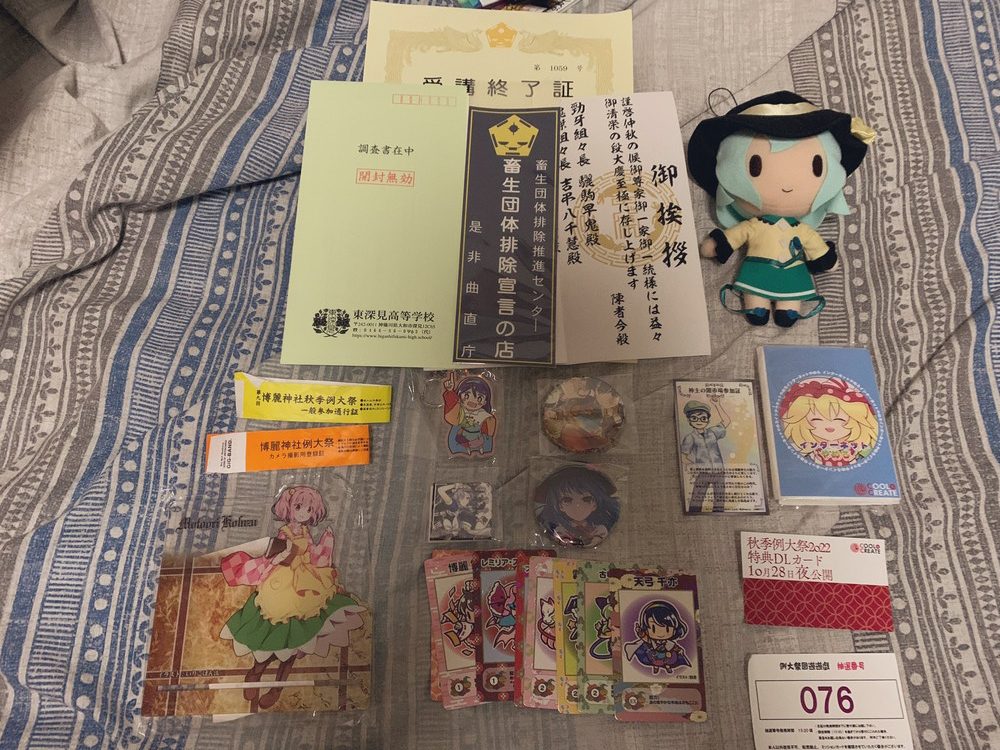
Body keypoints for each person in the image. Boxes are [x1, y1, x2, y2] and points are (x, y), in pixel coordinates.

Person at [687, 91, 873, 327]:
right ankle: (758, 306)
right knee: (757, 297)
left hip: (791, 276)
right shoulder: (754, 226)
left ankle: (788, 309)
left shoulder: (800, 231)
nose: (787, 185)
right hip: (758, 273)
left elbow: (815, 246)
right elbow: (735, 236)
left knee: (789, 296)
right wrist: (719, 244)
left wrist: (825, 258)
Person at [219, 486, 364, 712]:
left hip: (306, 582)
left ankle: (277, 688)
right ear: (289, 508)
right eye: (299, 507)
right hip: (283, 583)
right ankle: (256, 672)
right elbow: (277, 557)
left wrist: (324, 552)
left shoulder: (306, 532)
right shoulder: (284, 533)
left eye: (309, 509)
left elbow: (312, 555)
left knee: (295, 644)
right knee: (272, 635)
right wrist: (284, 555)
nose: (304, 513)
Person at [534, 465, 621, 547]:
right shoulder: (558, 529)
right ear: (560, 506)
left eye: (586, 499)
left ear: (595, 504)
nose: (577, 506)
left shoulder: (599, 528)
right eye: (567, 500)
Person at [679, 394, 731, 511]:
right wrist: (694, 465)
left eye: (703, 418)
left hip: (719, 472)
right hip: (703, 473)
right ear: (689, 420)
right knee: (696, 502)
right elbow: (683, 456)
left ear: (708, 420)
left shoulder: (713, 432)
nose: (699, 421)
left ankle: (718, 517)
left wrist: (717, 404)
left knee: (719, 502)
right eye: (694, 418)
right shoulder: (690, 437)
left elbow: (727, 421)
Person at [623, 600, 691, 676]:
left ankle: (667, 666)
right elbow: (645, 638)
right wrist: (640, 632)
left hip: (666, 655)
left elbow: (675, 647)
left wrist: (679, 650)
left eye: (667, 629)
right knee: (654, 660)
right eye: (653, 629)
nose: (660, 633)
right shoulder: (651, 641)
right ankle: (656, 667)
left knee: (669, 659)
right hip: (655, 655)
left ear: (675, 629)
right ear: (646, 629)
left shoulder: (669, 643)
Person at [443, 373, 497, 456]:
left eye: (479, 398)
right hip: (460, 441)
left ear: (485, 402)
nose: (472, 401)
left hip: (479, 440)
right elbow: (451, 417)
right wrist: (450, 391)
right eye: (467, 395)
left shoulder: (485, 416)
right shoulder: (459, 411)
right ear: (459, 395)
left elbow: (489, 434)